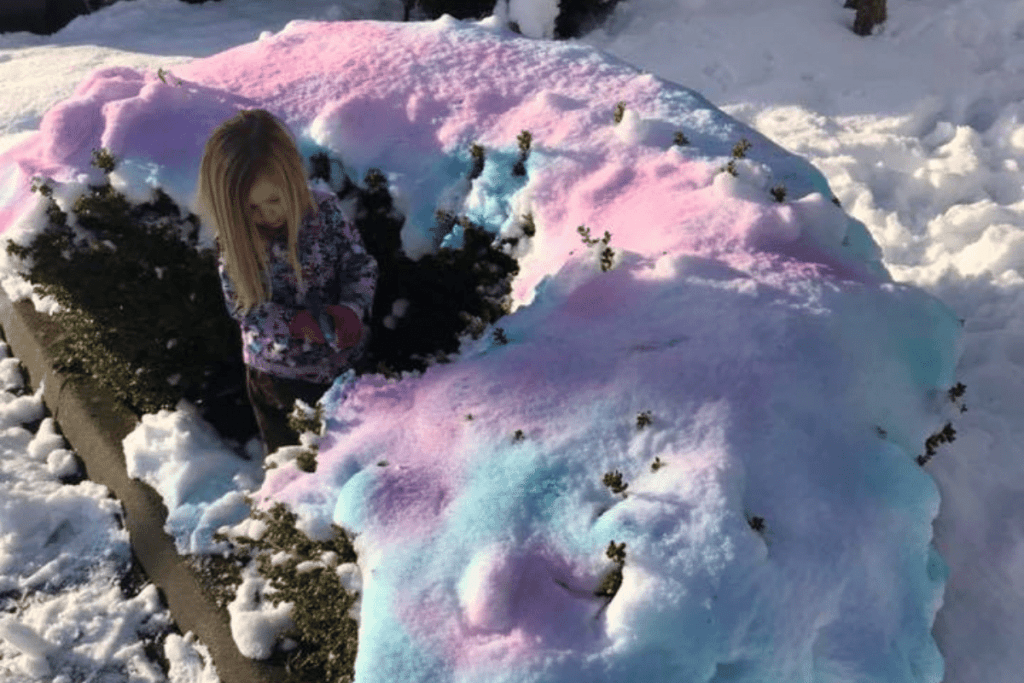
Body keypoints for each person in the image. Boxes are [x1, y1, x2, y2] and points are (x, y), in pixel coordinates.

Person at [195, 109, 378, 458]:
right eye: (251, 208)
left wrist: (353, 308)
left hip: (347, 364)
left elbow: (359, 263)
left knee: (350, 457)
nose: (268, 215)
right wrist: (294, 324)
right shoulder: (235, 240)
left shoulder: (324, 211)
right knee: (291, 466)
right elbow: (243, 307)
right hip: (279, 376)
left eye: (274, 199)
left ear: (293, 177)